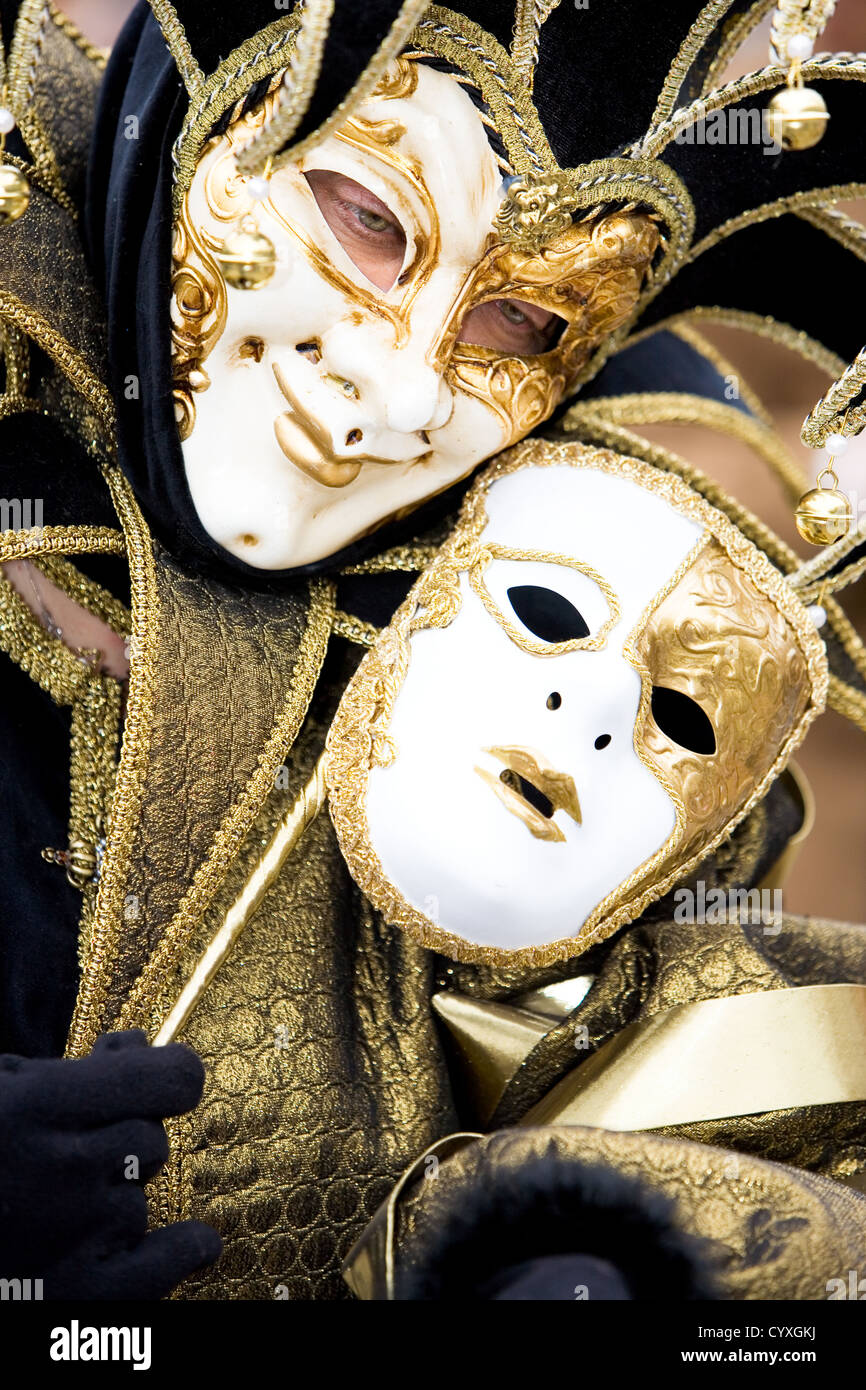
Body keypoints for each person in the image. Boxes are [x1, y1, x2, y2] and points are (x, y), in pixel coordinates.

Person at [1, 0, 865, 1300]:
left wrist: (587, 1251)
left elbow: (743, 1119)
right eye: (367, 218)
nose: (405, 395)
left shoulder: (575, 616)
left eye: (521, 325)